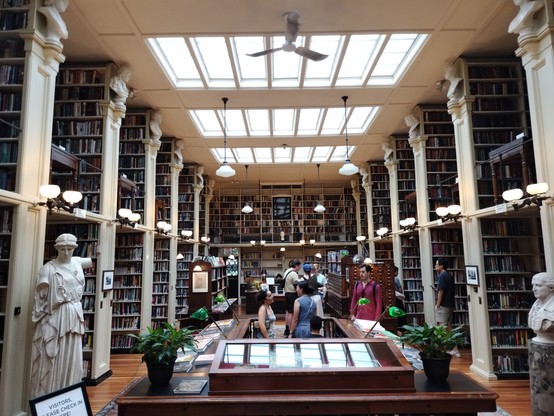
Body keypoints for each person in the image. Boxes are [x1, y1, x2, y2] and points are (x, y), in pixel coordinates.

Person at [31, 233, 93, 398]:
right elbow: (41, 301)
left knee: (74, 357)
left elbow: (91, 260)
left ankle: (71, 392)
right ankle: (54, 393)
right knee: (56, 355)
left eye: (70, 249)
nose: (67, 252)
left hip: (74, 315)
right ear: (57, 249)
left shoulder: (77, 262)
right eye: (63, 249)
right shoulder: (48, 269)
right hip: (58, 317)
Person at [434, 257, 460, 357]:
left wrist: (438, 304)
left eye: (437, 264)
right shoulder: (449, 275)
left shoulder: (442, 276)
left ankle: (440, 349)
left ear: (441, 266)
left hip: (444, 305)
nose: (435, 266)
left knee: (441, 328)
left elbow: (441, 291)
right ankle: (455, 349)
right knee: (449, 328)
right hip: (450, 304)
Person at [528, 272, 554, 344]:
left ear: (551, 287)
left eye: (538, 285)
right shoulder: (535, 306)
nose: (534, 289)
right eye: (533, 285)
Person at [283, 259, 301, 337]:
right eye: (299, 267)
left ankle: (287, 328)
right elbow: (297, 284)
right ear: (296, 266)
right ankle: (291, 330)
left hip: (287, 293)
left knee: (287, 312)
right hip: (292, 294)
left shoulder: (287, 271)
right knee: (291, 313)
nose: (299, 268)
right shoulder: (294, 273)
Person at [393, 265, 408, 333]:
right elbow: (400, 288)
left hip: (394, 300)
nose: (398, 273)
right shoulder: (395, 279)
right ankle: (403, 329)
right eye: (397, 272)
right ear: (395, 272)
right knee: (401, 314)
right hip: (397, 299)